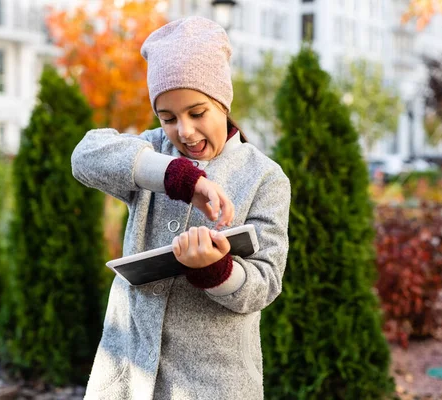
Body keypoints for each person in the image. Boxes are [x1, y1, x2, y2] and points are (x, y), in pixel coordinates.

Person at [71, 16, 290, 400]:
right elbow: (85, 156)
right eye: (167, 117)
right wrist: (176, 175)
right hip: (126, 373)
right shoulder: (153, 151)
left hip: (213, 381)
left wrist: (217, 271)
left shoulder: (265, 178)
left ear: (223, 101)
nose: (184, 131)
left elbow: (265, 284)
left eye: (197, 112)